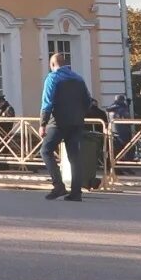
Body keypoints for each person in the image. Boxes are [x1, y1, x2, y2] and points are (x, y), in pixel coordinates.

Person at [39, 51, 105, 201]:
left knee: (45, 151)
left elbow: (47, 103)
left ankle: (58, 186)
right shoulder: (79, 79)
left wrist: (43, 123)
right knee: (74, 157)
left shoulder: (52, 78)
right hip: (76, 123)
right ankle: (76, 192)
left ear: (53, 65)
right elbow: (88, 101)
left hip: (58, 122)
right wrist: (79, 114)